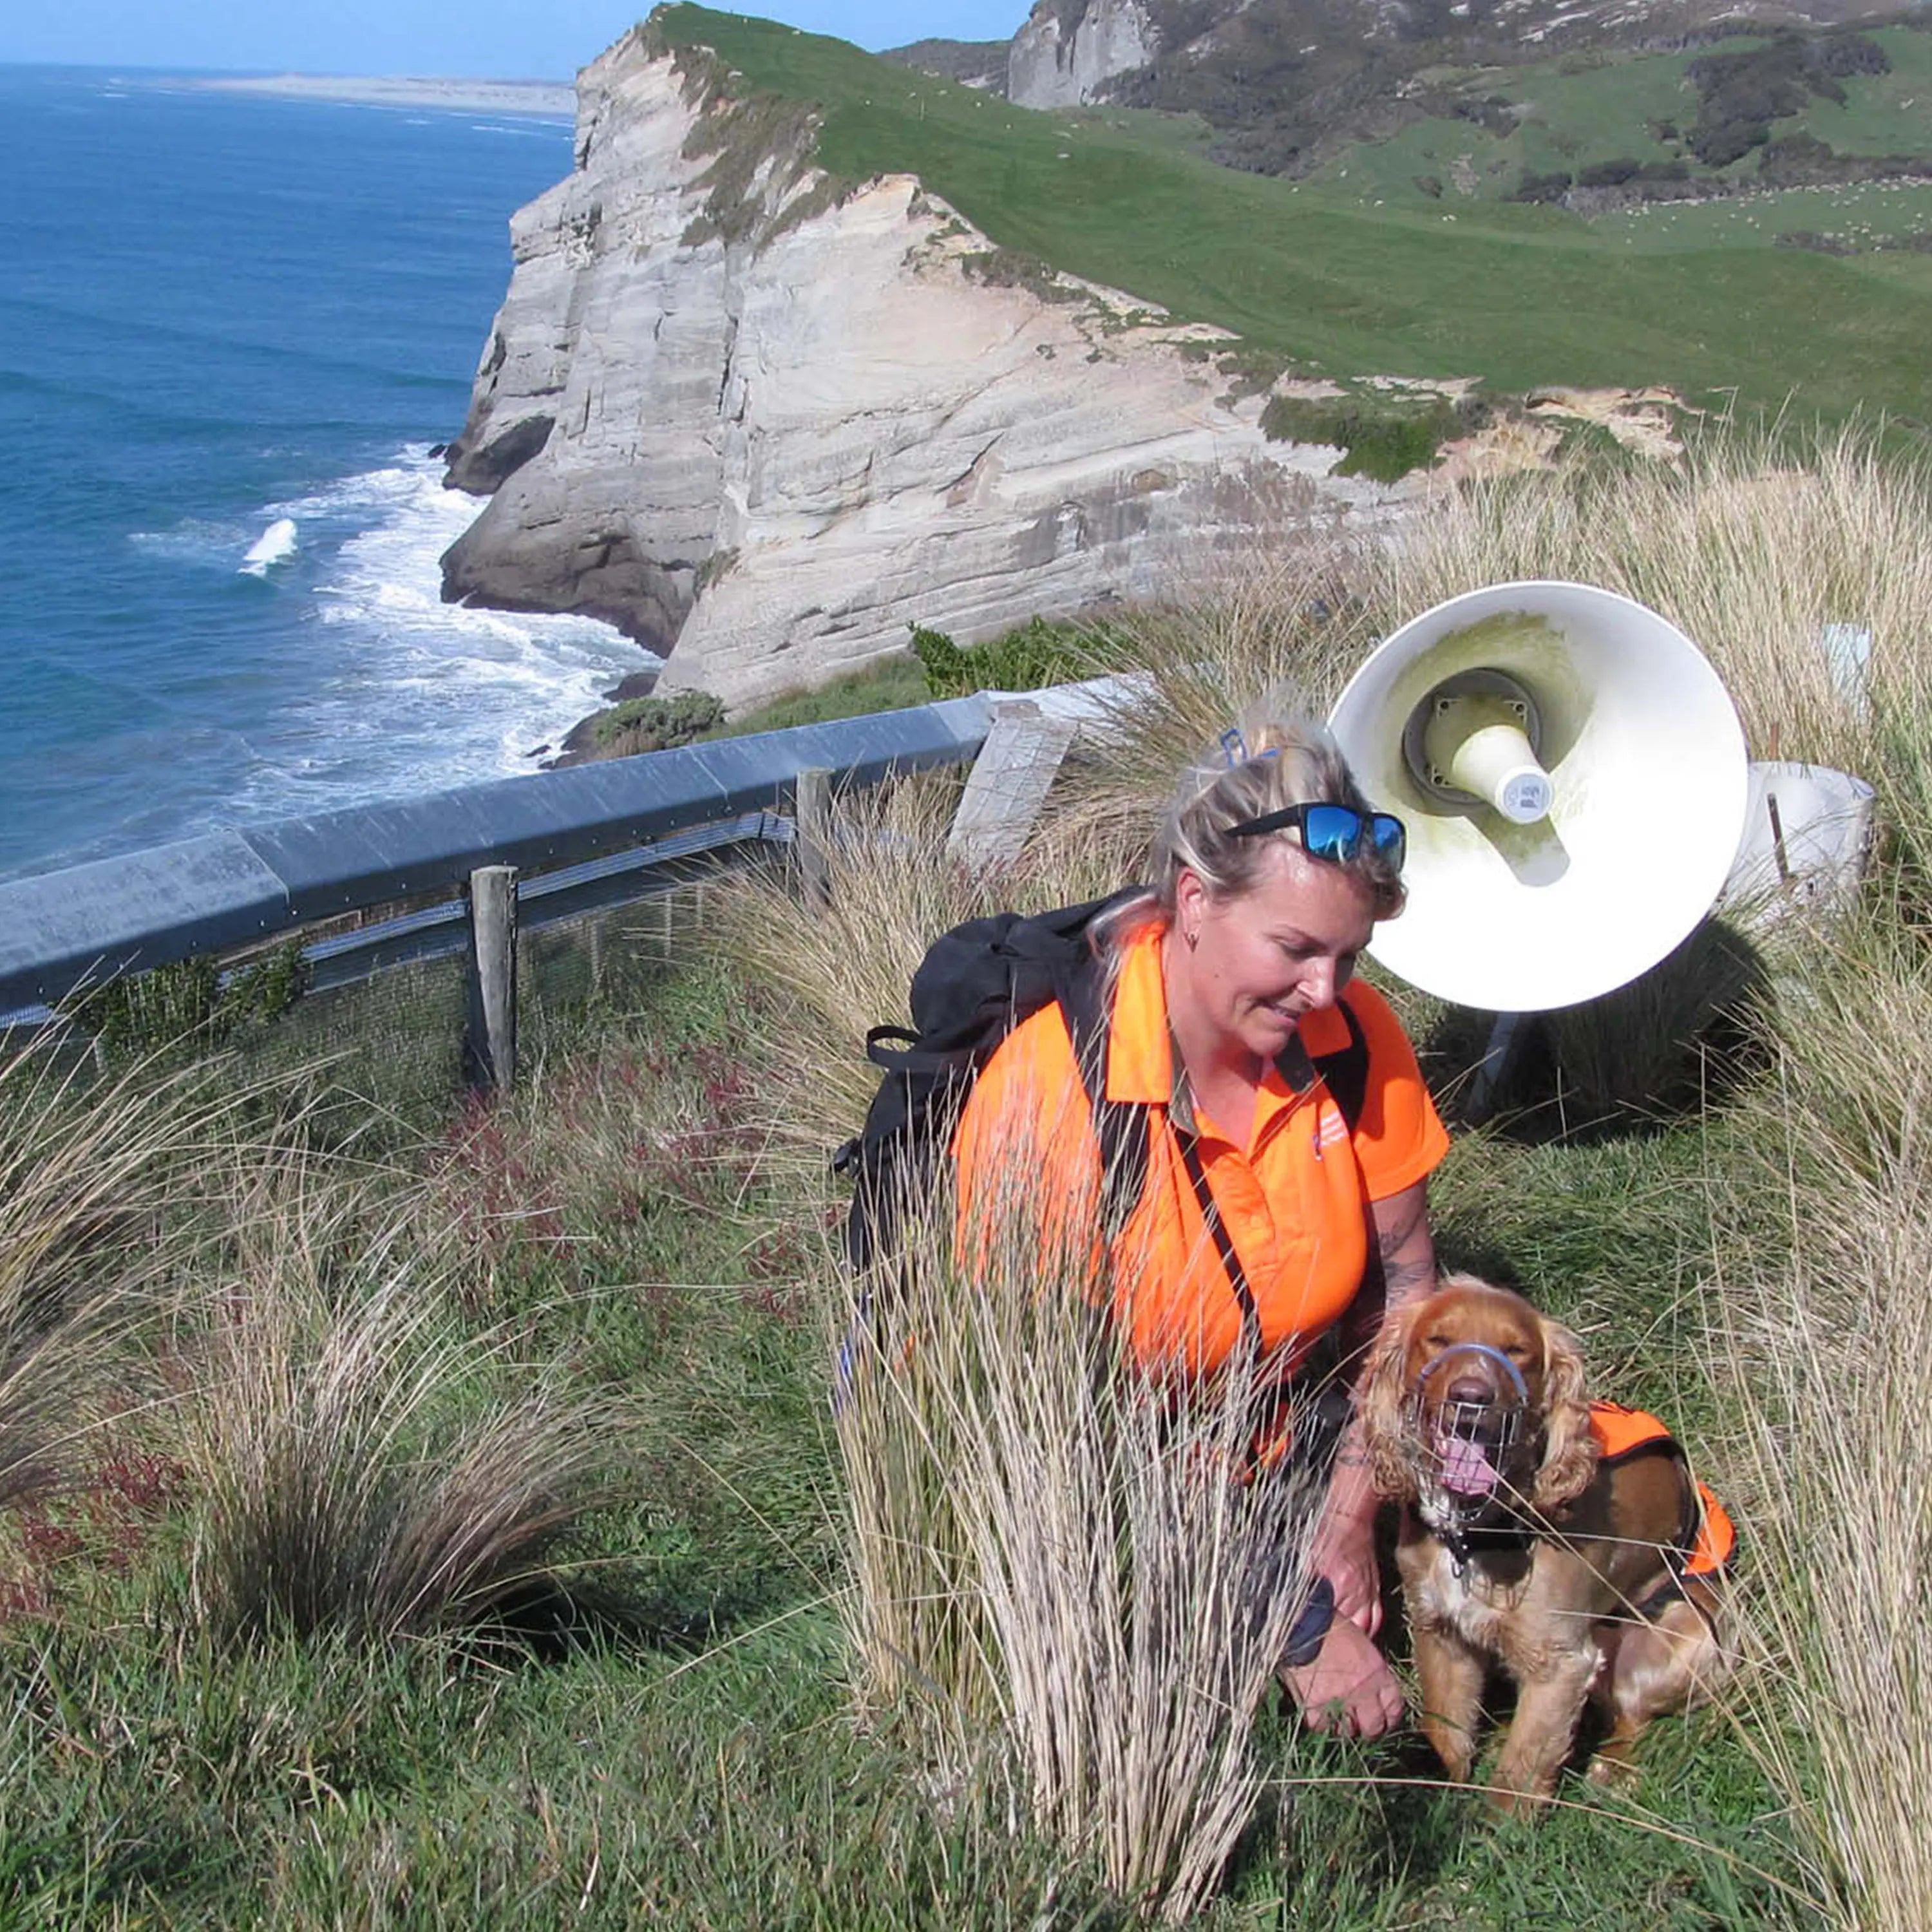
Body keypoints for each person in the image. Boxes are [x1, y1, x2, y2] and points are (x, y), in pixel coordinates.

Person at [951, 722, 1449, 1738]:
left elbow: (1412, 1296)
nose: (1327, 991)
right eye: (1296, 949)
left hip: (1291, 1426)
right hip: (1116, 1486)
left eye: (1350, 955)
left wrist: (1350, 1519)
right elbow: (1040, 1438)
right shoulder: (1055, 1099)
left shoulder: (1352, 1040)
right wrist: (1292, 1607)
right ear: (1193, 900)